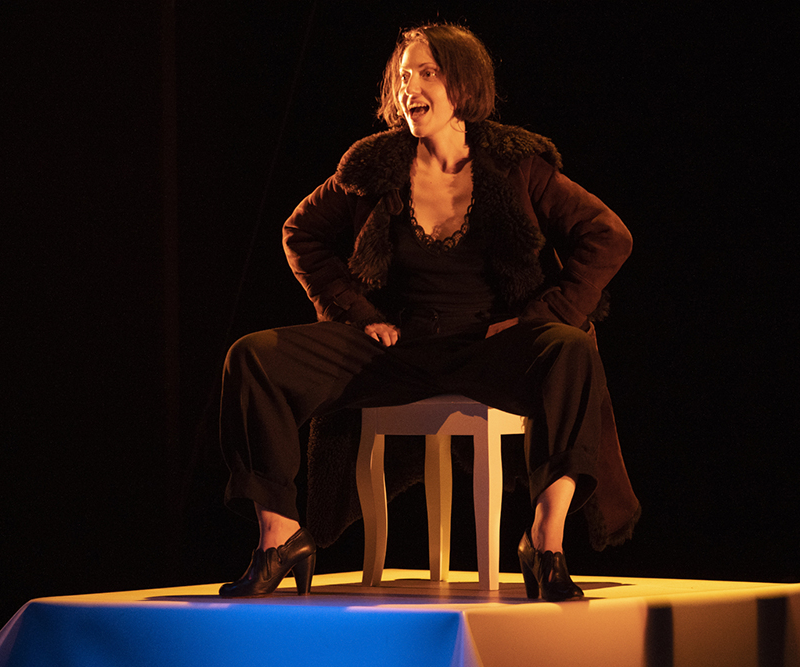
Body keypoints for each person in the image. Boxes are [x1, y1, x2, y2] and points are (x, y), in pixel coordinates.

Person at [218, 23, 640, 602]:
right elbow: (300, 232)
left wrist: (539, 317)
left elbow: (608, 235)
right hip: (398, 347)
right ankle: (279, 535)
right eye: (401, 77)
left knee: (571, 346)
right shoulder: (375, 166)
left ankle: (545, 541)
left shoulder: (515, 164)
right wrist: (356, 312)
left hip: (488, 347)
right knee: (254, 357)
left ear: (462, 84)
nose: (408, 87)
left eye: (426, 73)